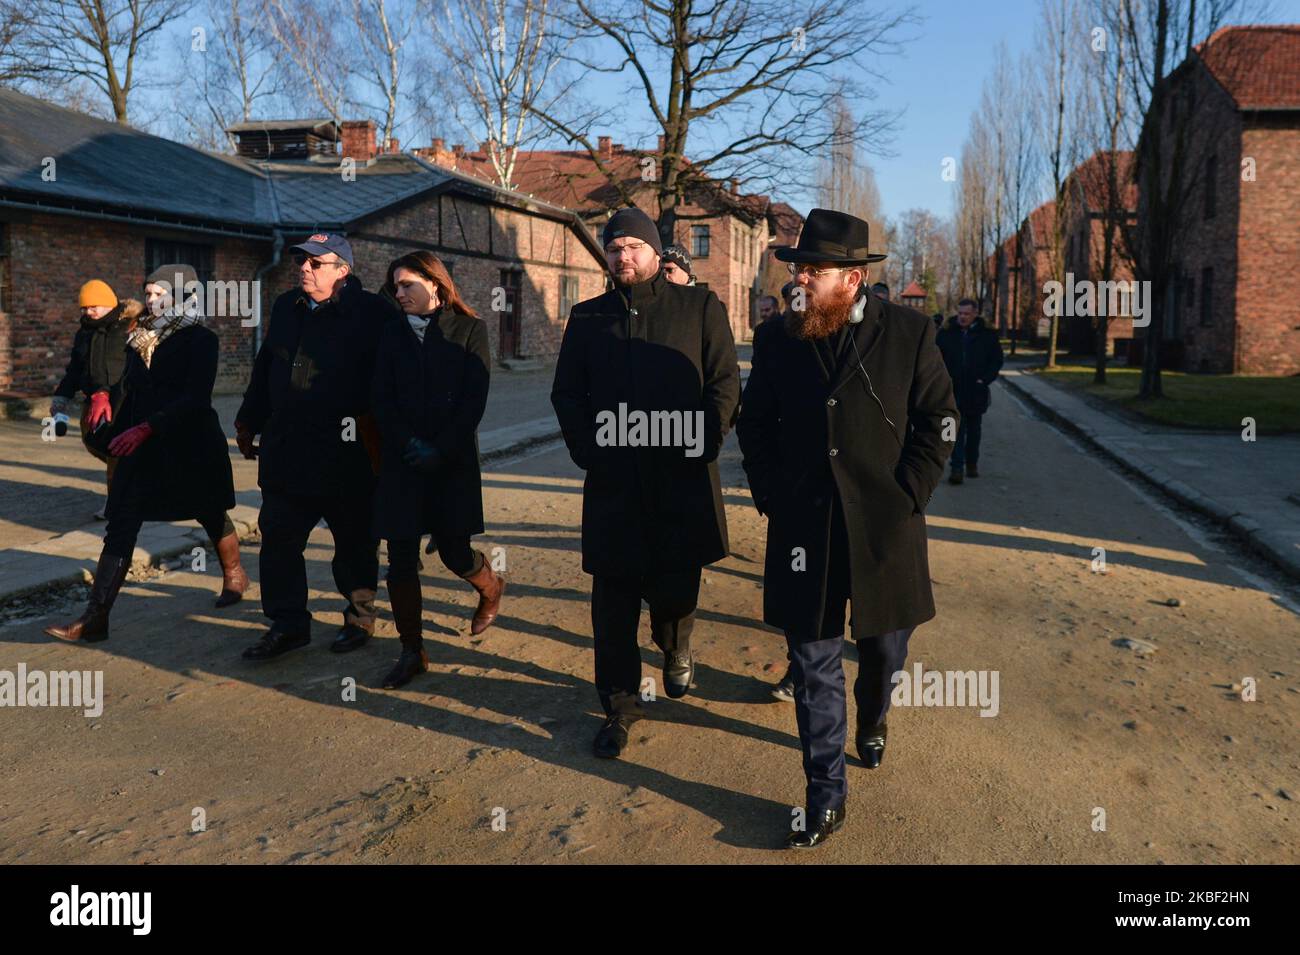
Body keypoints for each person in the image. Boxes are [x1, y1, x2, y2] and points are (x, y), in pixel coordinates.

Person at [736, 209, 957, 849]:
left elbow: (940, 419)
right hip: (805, 525)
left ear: (853, 280)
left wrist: (910, 490)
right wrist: (773, 493)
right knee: (812, 662)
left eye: (815, 270)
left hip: (886, 525)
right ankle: (824, 794)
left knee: (885, 649)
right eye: (798, 269)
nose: (801, 280)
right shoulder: (779, 338)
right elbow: (754, 425)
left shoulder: (911, 333)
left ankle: (876, 715)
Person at [552, 207, 740, 759]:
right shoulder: (587, 318)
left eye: (633, 245)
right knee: (611, 606)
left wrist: (702, 442)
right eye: (613, 247)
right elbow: (567, 394)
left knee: (674, 594)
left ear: (656, 252)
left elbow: (724, 382)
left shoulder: (699, 307)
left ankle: (676, 646)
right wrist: (590, 451)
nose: (622, 255)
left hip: (680, 482)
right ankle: (617, 707)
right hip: (614, 487)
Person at [44, 264, 245, 642]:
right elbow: (128, 389)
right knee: (121, 522)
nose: (150, 301)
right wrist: (109, 413)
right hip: (141, 444)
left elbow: (195, 398)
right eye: (148, 293)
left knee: (208, 510)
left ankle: (234, 574)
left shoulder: (202, 340)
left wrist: (148, 427)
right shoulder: (139, 338)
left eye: (158, 294)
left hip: (189, 442)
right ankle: (95, 617)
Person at [234, 233, 396, 661]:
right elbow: (267, 362)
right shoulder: (287, 306)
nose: (304, 268)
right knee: (279, 539)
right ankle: (288, 624)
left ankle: (359, 616)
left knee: (354, 542)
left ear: (343, 269)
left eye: (315, 263)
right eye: (301, 262)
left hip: (347, 453)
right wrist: (249, 417)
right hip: (287, 447)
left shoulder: (374, 312)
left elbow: (391, 380)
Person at [371, 251, 503, 689]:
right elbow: (381, 399)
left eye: (407, 284)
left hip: (452, 461)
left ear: (436, 284)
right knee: (401, 558)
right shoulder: (389, 334)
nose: (399, 292)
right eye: (395, 286)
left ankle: (489, 585)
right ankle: (412, 650)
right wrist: (407, 444)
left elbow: (474, 400)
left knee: (453, 550)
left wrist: (440, 449)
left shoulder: (470, 330)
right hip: (403, 460)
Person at [51, 280, 139, 520]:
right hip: (92, 402)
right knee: (93, 443)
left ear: (108, 305)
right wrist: (62, 396)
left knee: (115, 451)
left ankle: (116, 504)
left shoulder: (126, 328)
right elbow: (75, 368)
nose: (88, 312)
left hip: (120, 401)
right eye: (84, 308)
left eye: (94, 307)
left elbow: (119, 367)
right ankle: (132, 482)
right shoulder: (85, 333)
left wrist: (110, 393)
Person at [936, 298, 1004, 484]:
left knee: (974, 431)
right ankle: (957, 468)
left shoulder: (987, 335)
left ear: (975, 314)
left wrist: (984, 379)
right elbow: (935, 359)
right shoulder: (946, 333)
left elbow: (996, 360)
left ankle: (972, 461)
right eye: (960, 313)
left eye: (967, 314)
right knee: (955, 430)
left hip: (976, 391)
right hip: (952, 390)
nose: (963, 317)